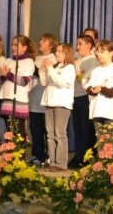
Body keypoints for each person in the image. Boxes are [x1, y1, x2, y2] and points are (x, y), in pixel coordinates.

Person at [86, 40, 113, 158]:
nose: (99, 54)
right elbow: (89, 87)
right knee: (100, 140)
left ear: (111, 53)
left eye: (102, 51)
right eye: (97, 52)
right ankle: (102, 164)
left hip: (110, 112)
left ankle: (111, 166)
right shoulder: (96, 70)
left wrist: (102, 89)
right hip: (97, 110)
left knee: (109, 140)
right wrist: (92, 90)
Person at [41, 43, 76, 171]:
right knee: (50, 134)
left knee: (59, 134)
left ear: (67, 54)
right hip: (49, 103)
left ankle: (61, 163)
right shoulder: (54, 67)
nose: (56, 53)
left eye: (60, 51)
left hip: (61, 104)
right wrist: (43, 69)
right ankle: (53, 162)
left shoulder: (70, 68)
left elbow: (61, 83)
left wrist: (50, 68)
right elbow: (44, 82)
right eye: (56, 51)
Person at [0, 35, 36, 138]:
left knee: (19, 131)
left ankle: (20, 149)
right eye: (12, 45)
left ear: (24, 47)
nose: (12, 47)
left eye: (16, 45)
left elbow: (24, 81)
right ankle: (9, 148)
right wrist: (2, 76)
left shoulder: (29, 62)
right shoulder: (8, 61)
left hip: (19, 100)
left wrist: (8, 74)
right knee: (9, 131)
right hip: (7, 98)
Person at [69, 35, 99, 168]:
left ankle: (87, 157)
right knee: (78, 129)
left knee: (86, 129)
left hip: (85, 97)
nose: (77, 47)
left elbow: (86, 78)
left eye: (80, 44)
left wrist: (76, 70)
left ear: (89, 45)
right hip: (75, 96)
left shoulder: (93, 60)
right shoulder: (77, 59)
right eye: (77, 44)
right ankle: (79, 155)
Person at [28, 33, 58, 166]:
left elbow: (46, 79)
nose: (40, 41)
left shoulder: (54, 59)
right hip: (34, 99)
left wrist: (40, 69)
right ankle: (38, 155)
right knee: (35, 130)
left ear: (51, 45)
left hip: (47, 101)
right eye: (40, 39)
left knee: (49, 131)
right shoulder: (36, 59)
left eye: (44, 40)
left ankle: (51, 156)